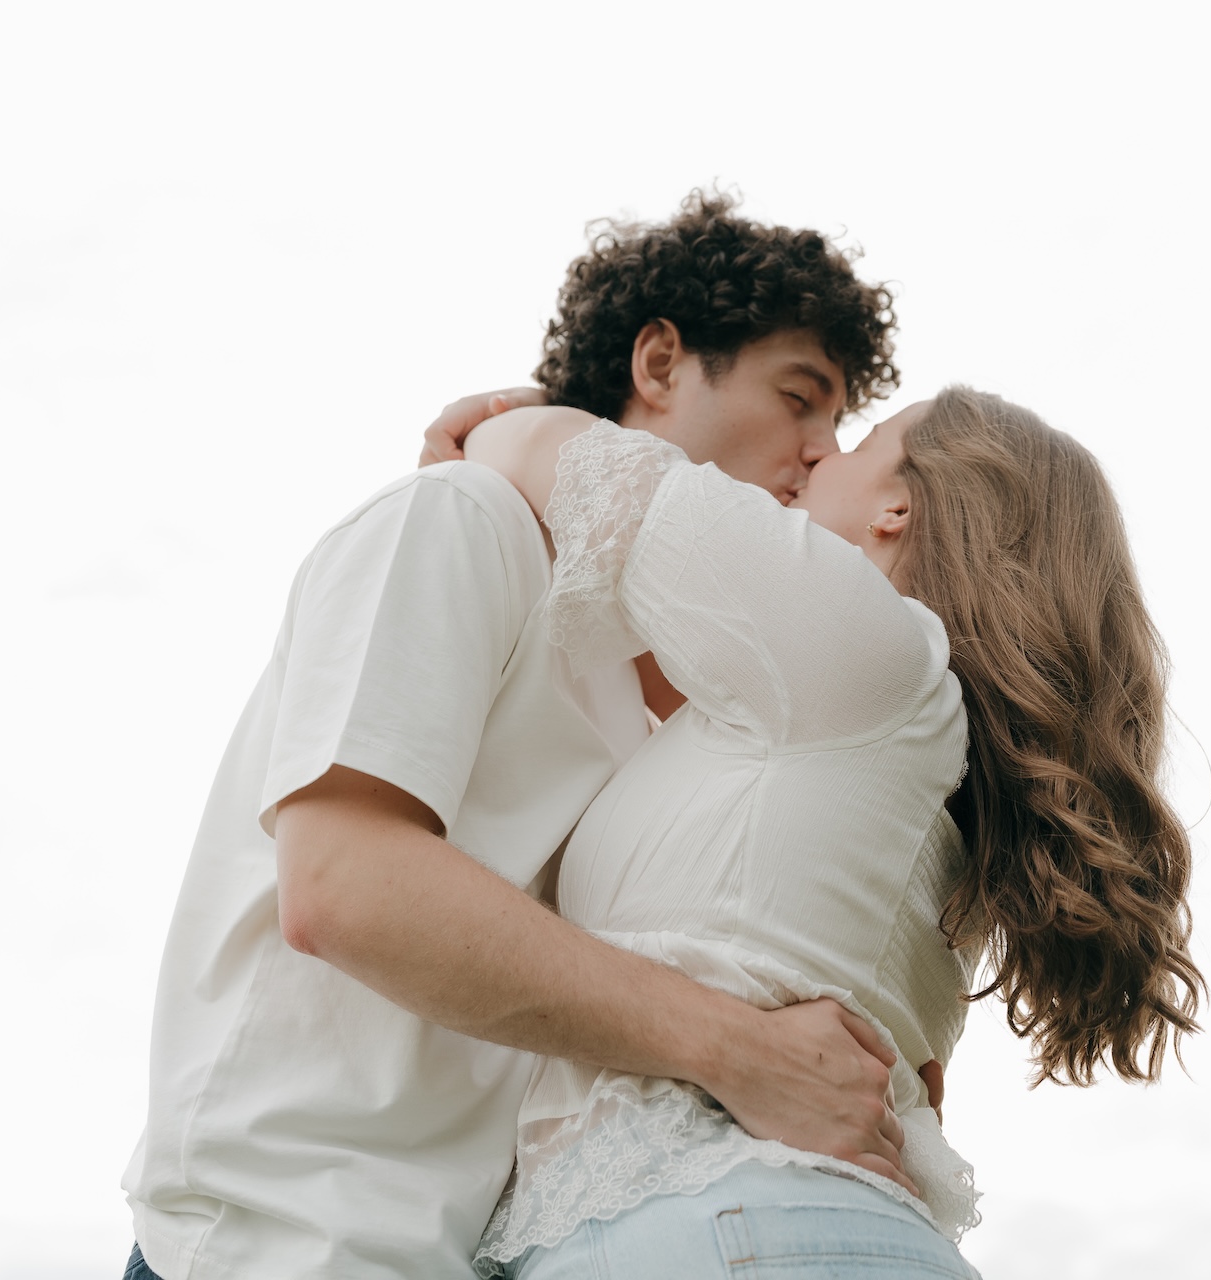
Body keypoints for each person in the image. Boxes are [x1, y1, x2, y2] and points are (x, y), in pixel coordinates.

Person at [120, 191, 912, 1280]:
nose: (825, 453)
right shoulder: (452, 525)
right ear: (661, 361)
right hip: (284, 1235)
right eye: (800, 397)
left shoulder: (677, 707)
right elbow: (345, 885)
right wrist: (742, 1051)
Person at [451, 387, 1204, 1278]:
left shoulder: (869, 645)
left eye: (864, 441)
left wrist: (475, 433)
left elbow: (556, 449)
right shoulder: (910, 754)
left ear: (899, 507)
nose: (817, 457)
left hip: (728, 1228)